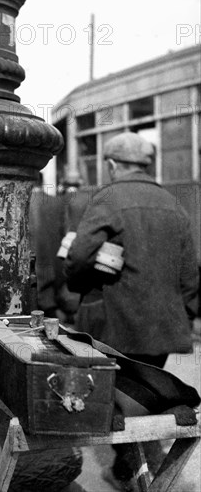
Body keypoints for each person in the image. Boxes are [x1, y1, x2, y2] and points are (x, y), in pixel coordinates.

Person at [63, 131, 199, 491]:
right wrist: (180, 312)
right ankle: (138, 468)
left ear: (110, 165)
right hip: (163, 328)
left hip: (116, 324)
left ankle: (133, 466)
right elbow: (190, 275)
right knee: (147, 392)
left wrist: (78, 285)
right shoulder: (173, 204)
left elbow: (78, 257)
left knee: (117, 401)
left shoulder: (109, 197)